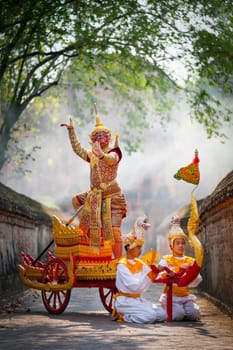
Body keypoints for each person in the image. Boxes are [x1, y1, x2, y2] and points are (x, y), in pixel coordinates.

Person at [61, 115, 127, 258]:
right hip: (95, 194)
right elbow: (78, 149)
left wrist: (102, 155)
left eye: (104, 135)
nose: (101, 137)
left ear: (109, 137)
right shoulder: (92, 154)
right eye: (97, 135)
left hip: (113, 197)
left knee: (114, 230)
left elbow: (111, 160)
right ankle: (92, 239)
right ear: (93, 139)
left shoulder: (114, 152)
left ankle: (118, 262)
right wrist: (71, 131)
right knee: (76, 200)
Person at [113, 216, 166, 323]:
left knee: (162, 314)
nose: (140, 250)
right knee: (150, 316)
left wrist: (163, 273)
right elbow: (134, 286)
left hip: (137, 300)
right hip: (126, 301)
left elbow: (151, 275)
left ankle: (136, 313)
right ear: (128, 247)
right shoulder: (122, 265)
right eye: (138, 247)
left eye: (141, 247)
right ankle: (125, 316)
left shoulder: (140, 263)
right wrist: (153, 272)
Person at [158, 215, 202, 321]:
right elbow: (160, 270)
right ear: (171, 245)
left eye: (183, 243)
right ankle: (170, 309)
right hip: (171, 296)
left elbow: (197, 280)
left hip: (185, 296)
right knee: (178, 315)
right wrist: (170, 271)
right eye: (177, 243)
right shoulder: (166, 259)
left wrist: (189, 271)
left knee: (194, 314)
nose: (181, 246)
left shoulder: (189, 260)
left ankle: (183, 308)